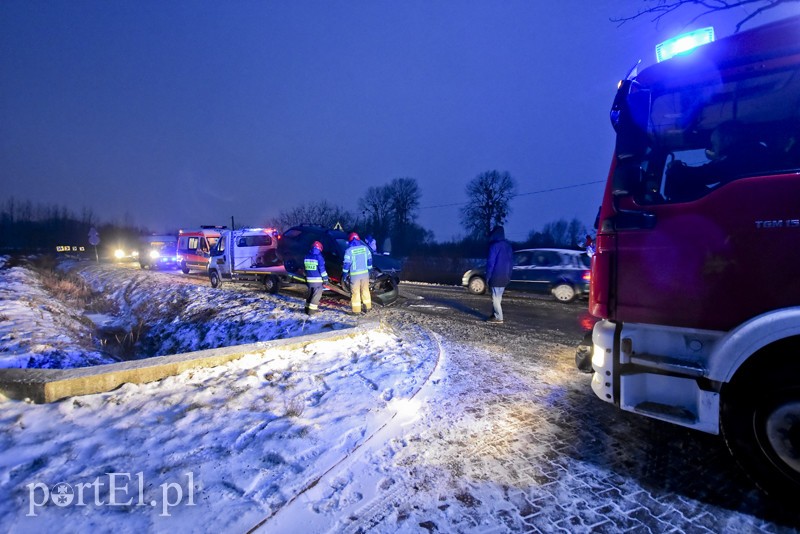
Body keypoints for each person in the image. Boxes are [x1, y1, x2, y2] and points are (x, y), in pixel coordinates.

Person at [485, 225, 513, 324]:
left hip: (496, 276)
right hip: (505, 276)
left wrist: (488, 276)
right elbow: (511, 263)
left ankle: (499, 317)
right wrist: (509, 275)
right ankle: (495, 315)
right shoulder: (508, 246)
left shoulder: (494, 246)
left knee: (495, 298)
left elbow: (491, 263)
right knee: (498, 297)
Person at [342, 232, 373, 315]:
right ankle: (368, 307)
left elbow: (346, 264)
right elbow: (369, 259)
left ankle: (356, 311)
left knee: (355, 292)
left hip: (355, 275)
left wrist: (344, 275)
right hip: (365, 274)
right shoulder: (365, 248)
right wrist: (369, 269)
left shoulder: (349, 251)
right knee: (365, 290)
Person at [303, 241, 328, 315]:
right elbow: (322, 270)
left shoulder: (307, 256)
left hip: (309, 279)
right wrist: (325, 279)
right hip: (317, 280)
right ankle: (311, 311)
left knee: (310, 294)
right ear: (320, 248)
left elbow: (305, 268)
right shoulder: (319, 257)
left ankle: (307, 309)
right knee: (316, 295)